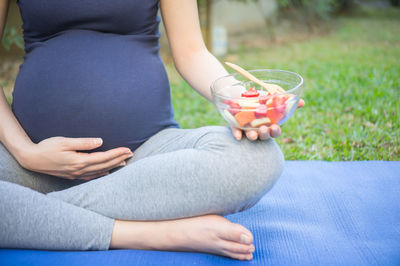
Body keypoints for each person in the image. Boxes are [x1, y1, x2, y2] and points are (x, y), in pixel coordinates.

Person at [0, 0, 293, 261]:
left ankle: (35, 216)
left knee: (255, 159)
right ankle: (152, 233)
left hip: (145, 156)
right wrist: (25, 152)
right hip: (32, 167)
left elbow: (191, 51)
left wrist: (240, 101)